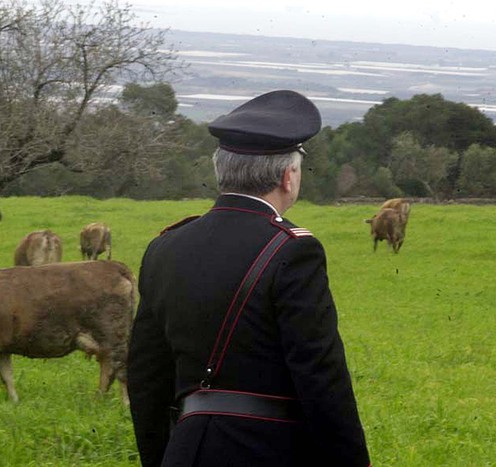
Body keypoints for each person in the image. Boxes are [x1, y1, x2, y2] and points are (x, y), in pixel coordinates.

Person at [128, 90, 370, 467]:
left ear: (220, 170)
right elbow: (321, 376)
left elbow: (146, 378)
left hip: (185, 450)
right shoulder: (294, 250)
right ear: (289, 177)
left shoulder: (164, 248)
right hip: (270, 451)